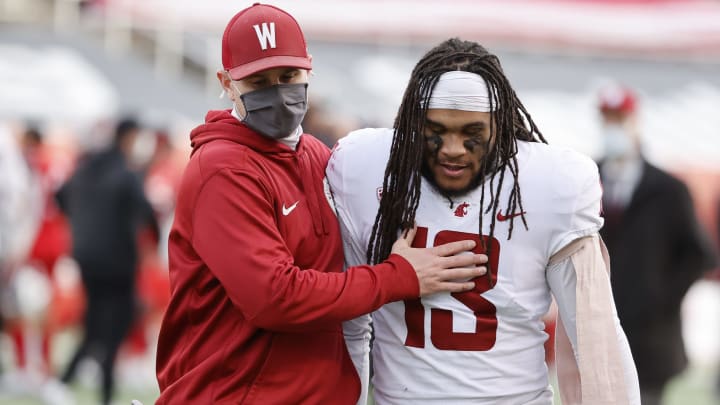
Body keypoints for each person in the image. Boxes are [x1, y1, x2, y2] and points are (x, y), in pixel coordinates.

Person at [154, 4, 486, 404]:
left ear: (309, 69)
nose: (278, 91)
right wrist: (398, 276)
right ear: (227, 82)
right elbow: (275, 298)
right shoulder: (222, 168)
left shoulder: (315, 154)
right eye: (259, 81)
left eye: (288, 76)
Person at [327, 38, 641, 404]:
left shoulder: (549, 183)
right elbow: (350, 323)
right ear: (413, 123)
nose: (453, 148)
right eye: (436, 130)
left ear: (501, 126)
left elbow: (593, 332)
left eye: (472, 133)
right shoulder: (364, 167)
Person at [595, 84, 718, 405]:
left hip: (650, 341)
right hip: (599, 329)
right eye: (607, 119)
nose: (613, 129)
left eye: (620, 119)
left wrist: (659, 300)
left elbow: (699, 254)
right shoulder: (586, 180)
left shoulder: (668, 189)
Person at [56, 117, 159, 405]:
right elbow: (148, 213)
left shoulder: (87, 166)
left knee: (94, 322)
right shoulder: (126, 172)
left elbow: (60, 197)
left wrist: (83, 225)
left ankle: (65, 380)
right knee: (114, 325)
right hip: (118, 261)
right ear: (130, 137)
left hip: (86, 257)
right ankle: (105, 392)